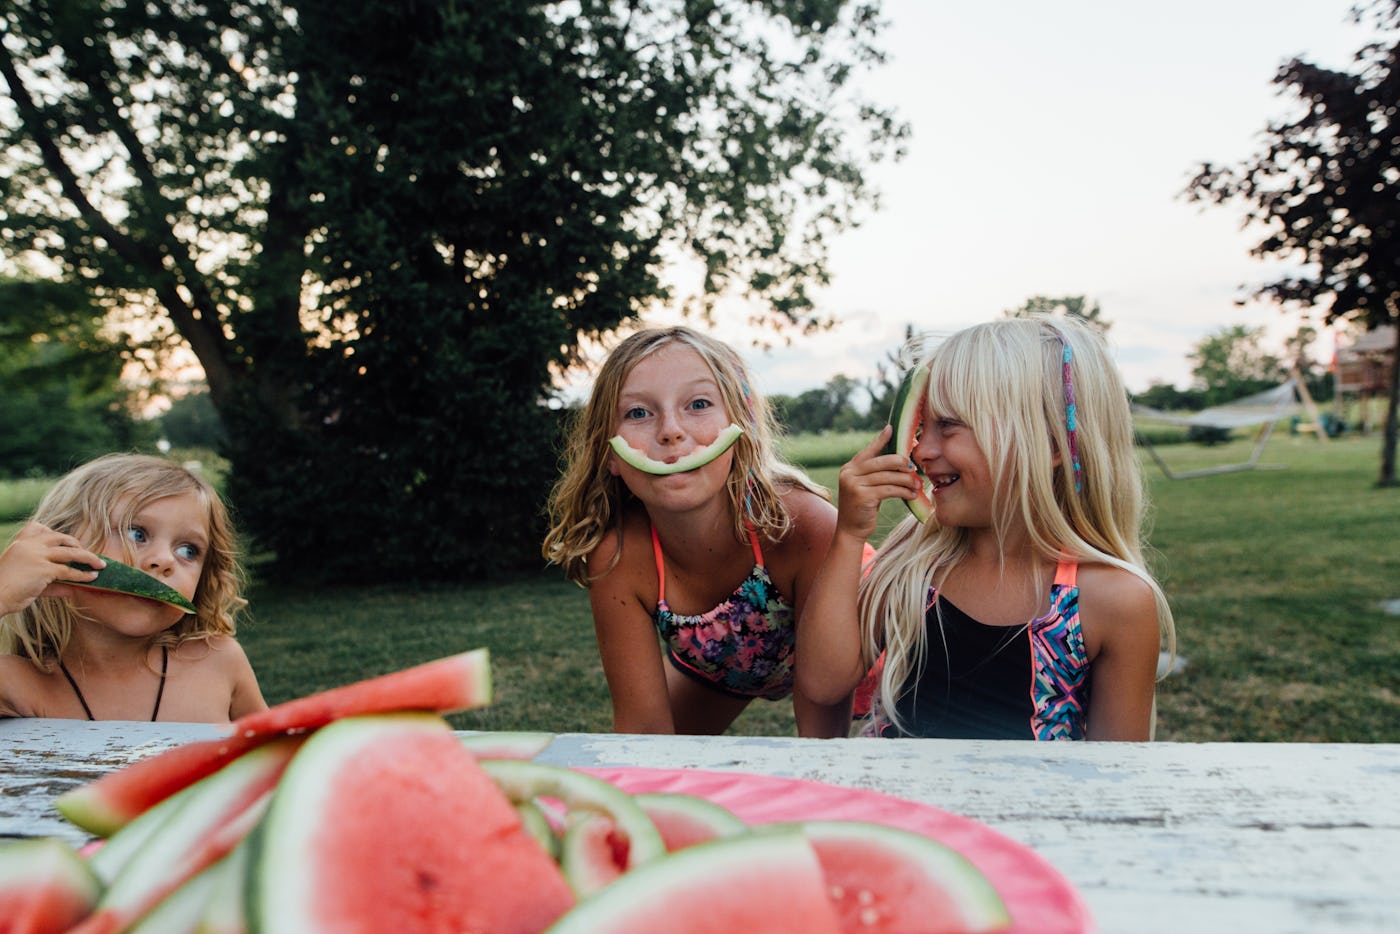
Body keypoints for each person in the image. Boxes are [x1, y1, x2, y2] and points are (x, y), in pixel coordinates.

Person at [798, 315, 1176, 740]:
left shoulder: (1114, 600)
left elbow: (1117, 775)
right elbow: (823, 683)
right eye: (923, 428)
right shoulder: (917, 556)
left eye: (948, 426)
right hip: (895, 804)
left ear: (1050, 442)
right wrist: (849, 536)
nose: (921, 450)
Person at [543, 326, 852, 737]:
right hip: (726, 669)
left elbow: (823, 730)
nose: (670, 430)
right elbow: (643, 732)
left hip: (864, 665)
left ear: (741, 430)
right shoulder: (619, 555)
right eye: (638, 412)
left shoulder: (803, 526)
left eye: (698, 404)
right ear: (609, 453)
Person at [0, 453, 267, 723]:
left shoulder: (219, 662)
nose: (164, 560)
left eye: (188, 550)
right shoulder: (14, 683)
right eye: (136, 534)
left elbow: (279, 753)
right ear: (60, 545)